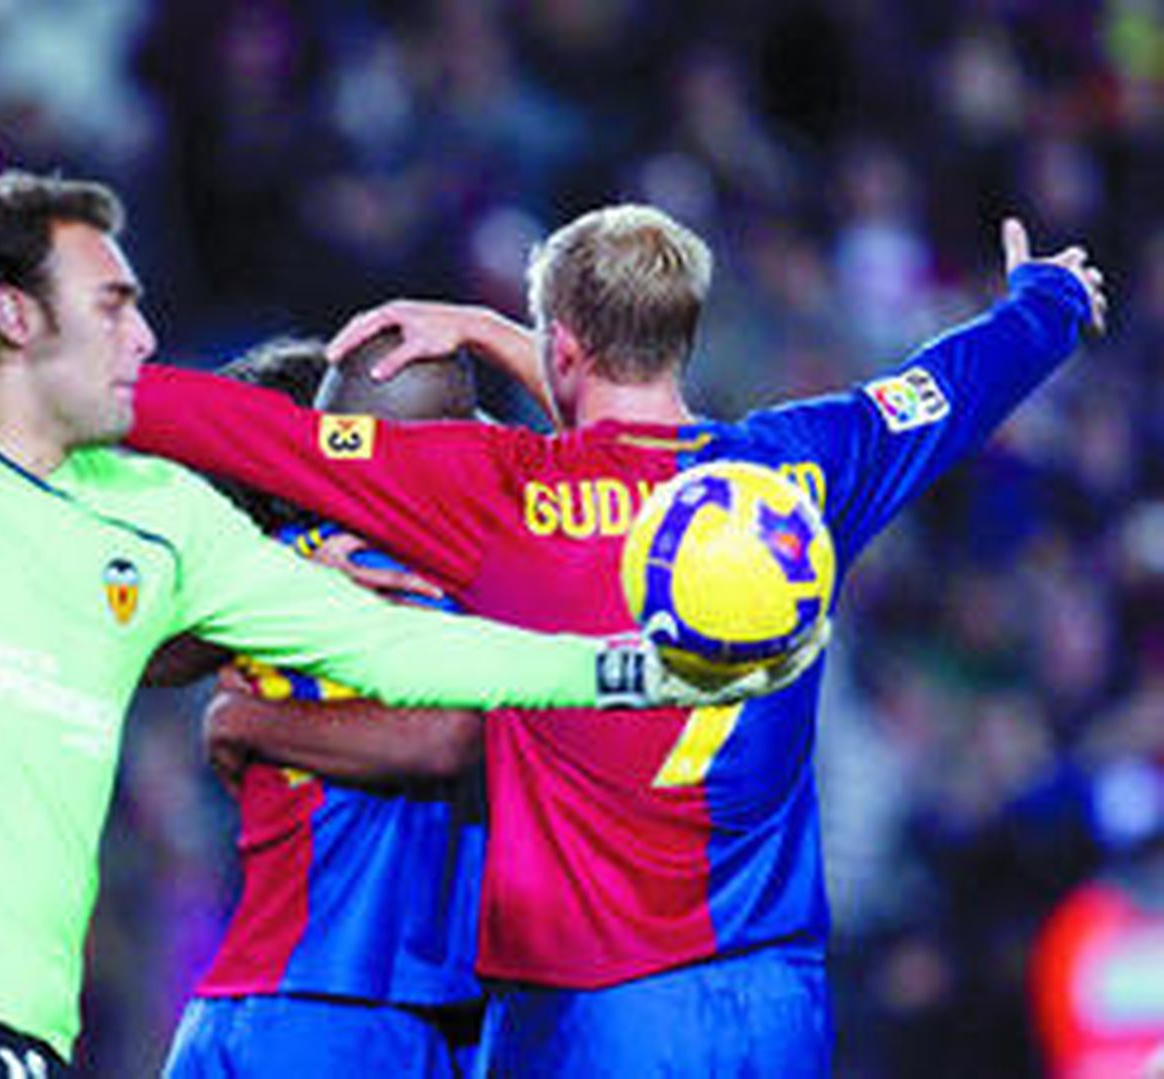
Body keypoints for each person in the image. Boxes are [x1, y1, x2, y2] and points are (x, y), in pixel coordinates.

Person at [0, 92, 763, 1077]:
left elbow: (411, 684)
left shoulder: (207, 533)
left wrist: (616, 668)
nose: (144, 335)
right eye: (116, 308)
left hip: (114, 1018)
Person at [121, 203, 1107, 1074]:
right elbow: (950, 386)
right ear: (682, 332)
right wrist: (1050, 299)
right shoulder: (802, 469)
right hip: (777, 998)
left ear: (561, 351)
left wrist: (56, 371)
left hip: (590, 1004)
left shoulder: (495, 492)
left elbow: (243, 427)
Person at [162, 334, 489, 1079]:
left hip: (235, 1008)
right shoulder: (439, 576)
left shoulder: (265, 573)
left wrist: (240, 716)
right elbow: (444, 736)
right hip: (355, 1009)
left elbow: (134, 652)